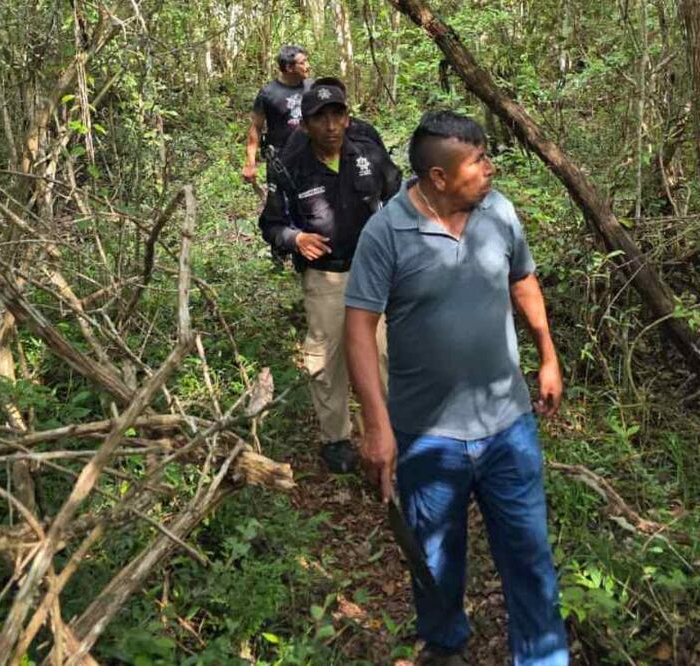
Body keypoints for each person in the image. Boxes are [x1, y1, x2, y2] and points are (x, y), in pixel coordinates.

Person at [343, 110, 568, 666]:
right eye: (479, 162)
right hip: (427, 435)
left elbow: (523, 281)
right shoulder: (386, 233)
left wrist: (548, 356)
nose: (490, 169)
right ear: (438, 178)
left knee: (529, 555)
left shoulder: (499, 211)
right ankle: (445, 645)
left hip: (507, 426)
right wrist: (377, 427)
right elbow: (358, 331)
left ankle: (542, 657)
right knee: (435, 560)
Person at [258, 78, 401, 473]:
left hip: (371, 272)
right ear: (305, 125)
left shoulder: (368, 152)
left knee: (383, 352)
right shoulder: (290, 165)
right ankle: (336, 438)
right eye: (320, 119)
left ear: (347, 117)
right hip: (325, 277)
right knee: (325, 359)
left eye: (337, 115)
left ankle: (387, 429)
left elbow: (396, 191)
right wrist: (295, 237)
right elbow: (270, 224)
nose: (331, 126)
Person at [242, 45, 312, 184]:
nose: (308, 66)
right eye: (303, 62)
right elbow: (255, 127)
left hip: (311, 157)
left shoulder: (313, 87)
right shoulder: (268, 93)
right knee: (281, 204)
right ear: (289, 68)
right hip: (280, 161)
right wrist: (250, 162)